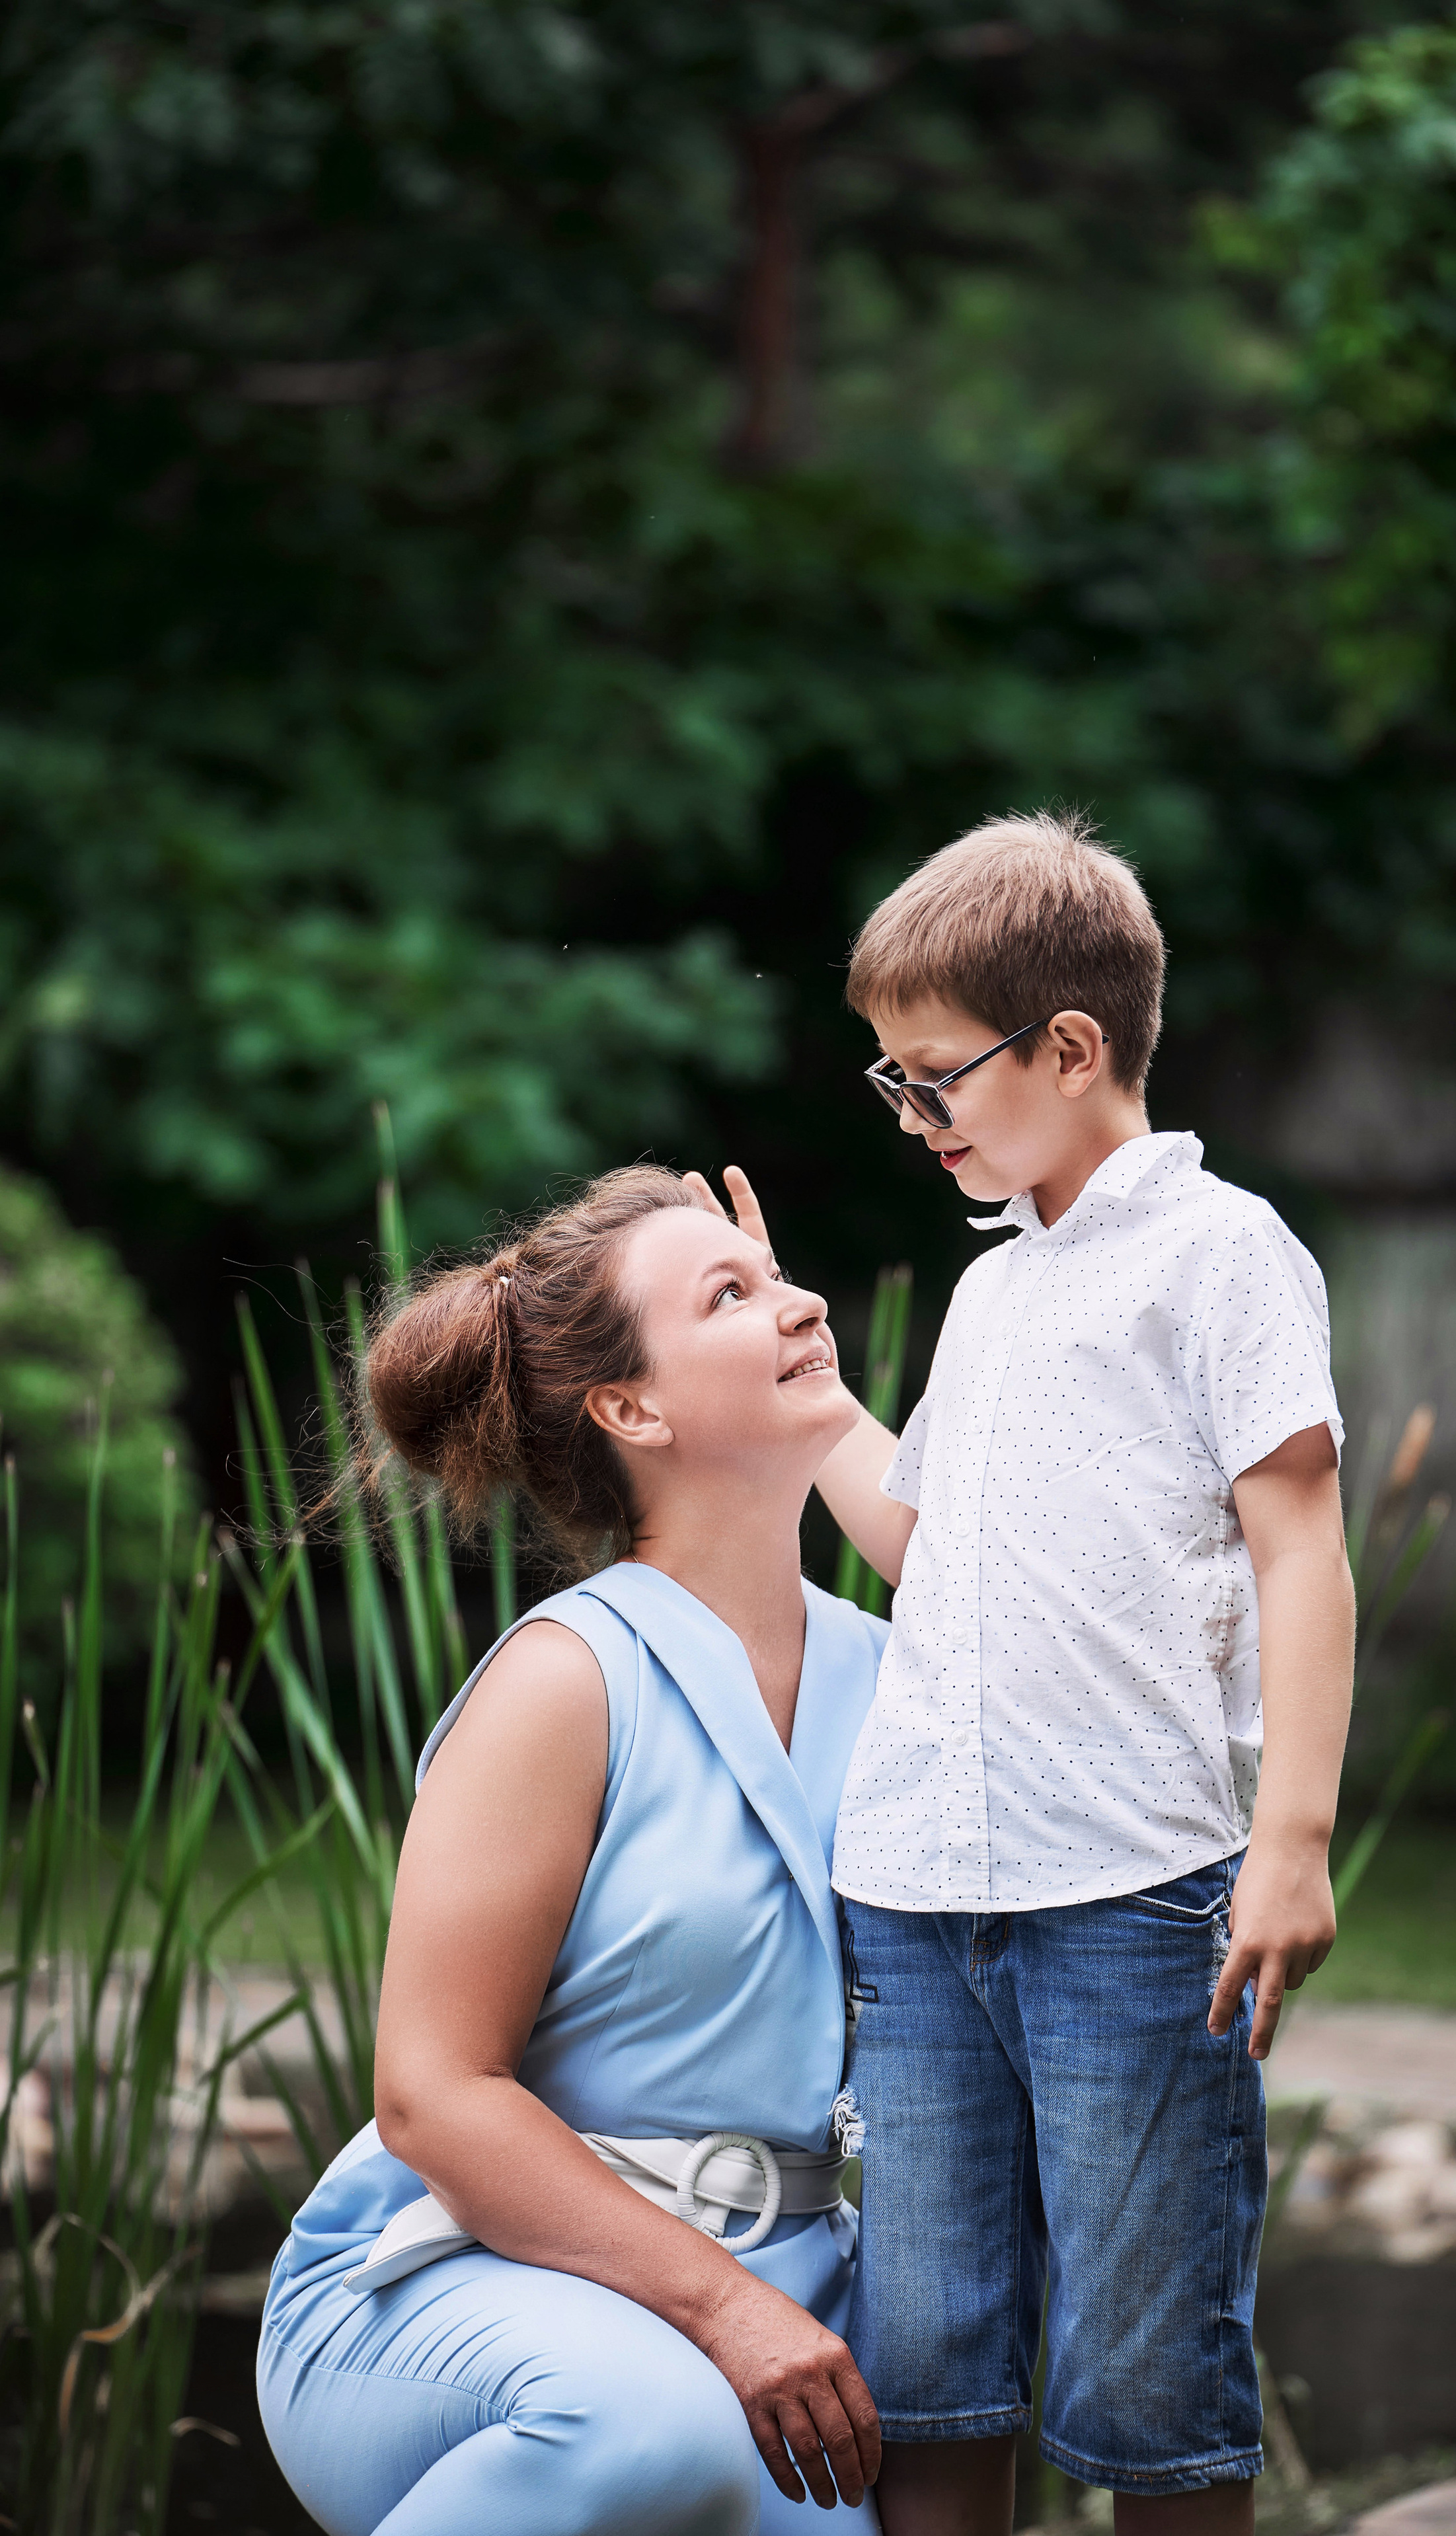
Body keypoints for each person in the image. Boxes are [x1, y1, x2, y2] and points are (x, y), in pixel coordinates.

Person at [693, 811, 1355, 2536]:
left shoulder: (1223, 1257)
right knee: (928, 2370)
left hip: (1130, 1902)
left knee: (1148, 2382)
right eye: (893, 1084)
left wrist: (1290, 1836)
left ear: (1070, 1047)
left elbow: (1303, 1549)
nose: (915, 1115)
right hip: (914, 1901)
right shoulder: (997, 1294)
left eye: (935, 1077)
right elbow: (922, 1550)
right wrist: (823, 1390)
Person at [256, 1165, 886, 2536]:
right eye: (735, 1292)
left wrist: (782, 1347)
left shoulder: (896, 1678)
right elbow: (432, 2090)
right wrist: (722, 2304)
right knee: (643, 2424)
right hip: (451, 2287)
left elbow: (983, 1578)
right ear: (630, 1406)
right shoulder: (566, 1680)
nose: (801, 1304)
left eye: (781, 1280)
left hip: (789, 2312)